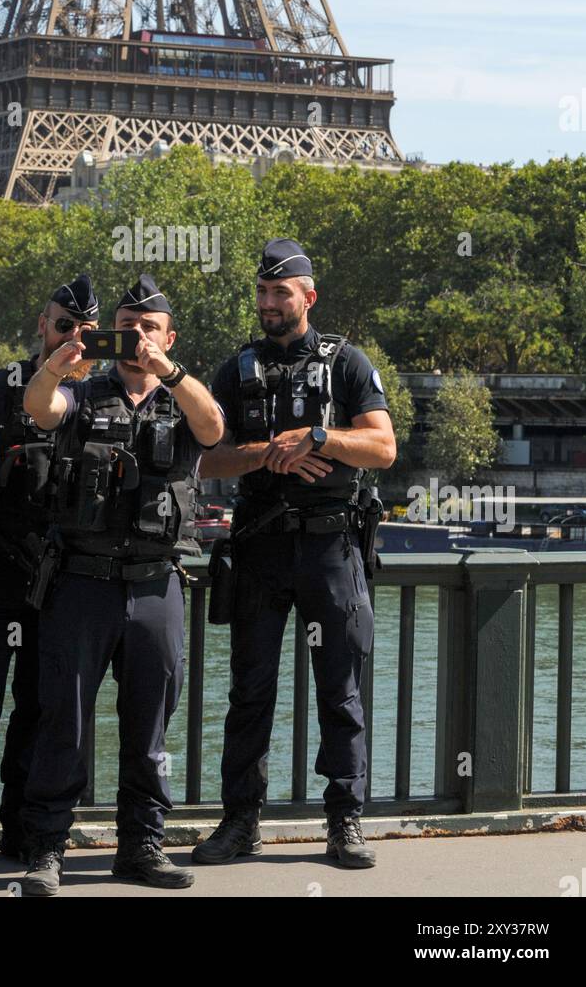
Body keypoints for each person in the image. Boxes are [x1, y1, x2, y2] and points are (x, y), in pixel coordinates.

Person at [16, 274, 224, 897]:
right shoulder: (83, 395)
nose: (137, 340)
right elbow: (37, 408)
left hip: (157, 585)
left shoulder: (182, 400)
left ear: (169, 336)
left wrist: (174, 371)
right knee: (65, 722)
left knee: (150, 726)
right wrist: (55, 366)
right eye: (127, 329)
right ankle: (46, 849)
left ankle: (141, 846)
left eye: (149, 330)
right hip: (83, 584)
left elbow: (214, 430)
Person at [193, 239, 396, 870]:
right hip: (260, 545)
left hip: (332, 546)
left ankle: (345, 823)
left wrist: (317, 437)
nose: (269, 303)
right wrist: (265, 453)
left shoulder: (348, 363)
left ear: (309, 296)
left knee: (340, 691)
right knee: (249, 691)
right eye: (262, 292)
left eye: (281, 292)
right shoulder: (237, 368)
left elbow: (383, 448)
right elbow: (205, 460)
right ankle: (239, 823)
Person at [0, 276, 99, 870]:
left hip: (60, 580)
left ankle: (24, 831)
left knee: (43, 707)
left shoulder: (99, 397)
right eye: (64, 326)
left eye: (86, 332)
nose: (73, 340)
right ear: (41, 323)